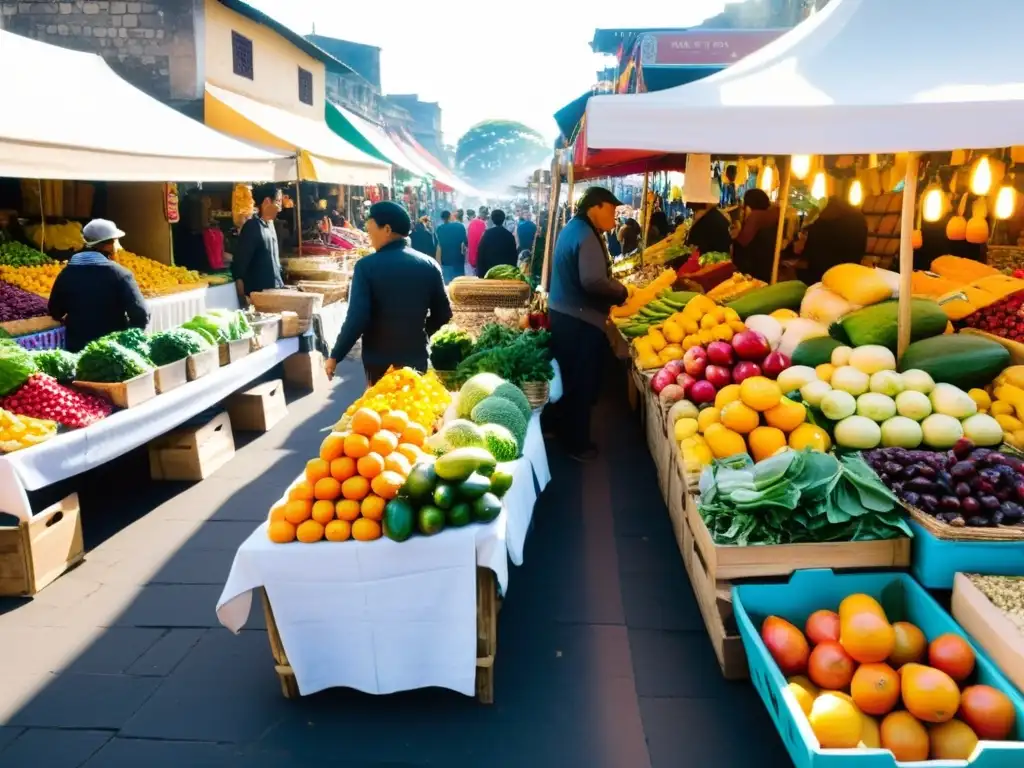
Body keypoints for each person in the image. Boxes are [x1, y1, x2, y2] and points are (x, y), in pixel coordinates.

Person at [325, 201, 452, 385]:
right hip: (416, 358)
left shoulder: (366, 266)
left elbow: (357, 318)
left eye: (370, 232)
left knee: (381, 410)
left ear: (386, 229)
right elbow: (443, 315)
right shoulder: (429, 264)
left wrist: (336, 355)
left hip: (378, 363)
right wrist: (421, 332)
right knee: (416, 409)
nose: (369, 238)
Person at [547, 187, 628, 462]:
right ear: (596, 206)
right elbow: (592, 280)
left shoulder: (574, 227)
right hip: (579, 319)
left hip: (565, 315)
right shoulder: (585, 233)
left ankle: (563, 431)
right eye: (612, 209)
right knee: (581, 382)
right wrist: (620, 292)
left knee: (570, 378)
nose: (615, 216)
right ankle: (577, 443)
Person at [48, 219, 150, 353]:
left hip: (77, 349)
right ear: (108, 245)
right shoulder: (121, 274)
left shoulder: (66, 274)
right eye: (114, 241)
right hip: (112, 351)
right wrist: (128, 340)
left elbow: (55, 310)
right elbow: (141, 314)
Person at [795, 192, 869, 285]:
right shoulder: (858, 219)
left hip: (819, 276)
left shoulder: (821, 223)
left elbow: (810, 252)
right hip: (848, 275)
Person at [232, 182, 284, 301]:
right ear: (267, 202)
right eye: (278, 202)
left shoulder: (271, 224)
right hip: (259, 293)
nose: (280, 208)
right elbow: (240, 262)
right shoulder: (252, 227)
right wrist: (242, 294)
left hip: (276, 289)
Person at [732, 188, 781, 282]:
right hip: (766, 271)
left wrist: (737, 233)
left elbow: (742, 245)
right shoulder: (773, 216)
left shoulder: (755, 217)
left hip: (753, 275)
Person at [476, 209, 518, 276]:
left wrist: (480, 273)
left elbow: (481, 253)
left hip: (489, 272)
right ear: (504, 219)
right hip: (505, 273)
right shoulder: (509, 236)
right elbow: (514, 256)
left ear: (492, 219)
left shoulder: (487, 234)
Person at [434, 209, 468, 284]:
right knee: (459, 283)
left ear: (442, 218)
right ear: (450, 216)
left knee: (448, 284)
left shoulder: (439, 229)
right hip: (458, 259)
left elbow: (438, 245)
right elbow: (466, 242)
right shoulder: (460, 226)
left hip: (445, 260)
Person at [467, 205, 487, 274]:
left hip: (477, 257)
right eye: (483, 212)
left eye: (485, 213)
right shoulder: (481, 223)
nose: (484, 214)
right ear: (480, 212)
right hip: (479, 256)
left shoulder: (472, 223)